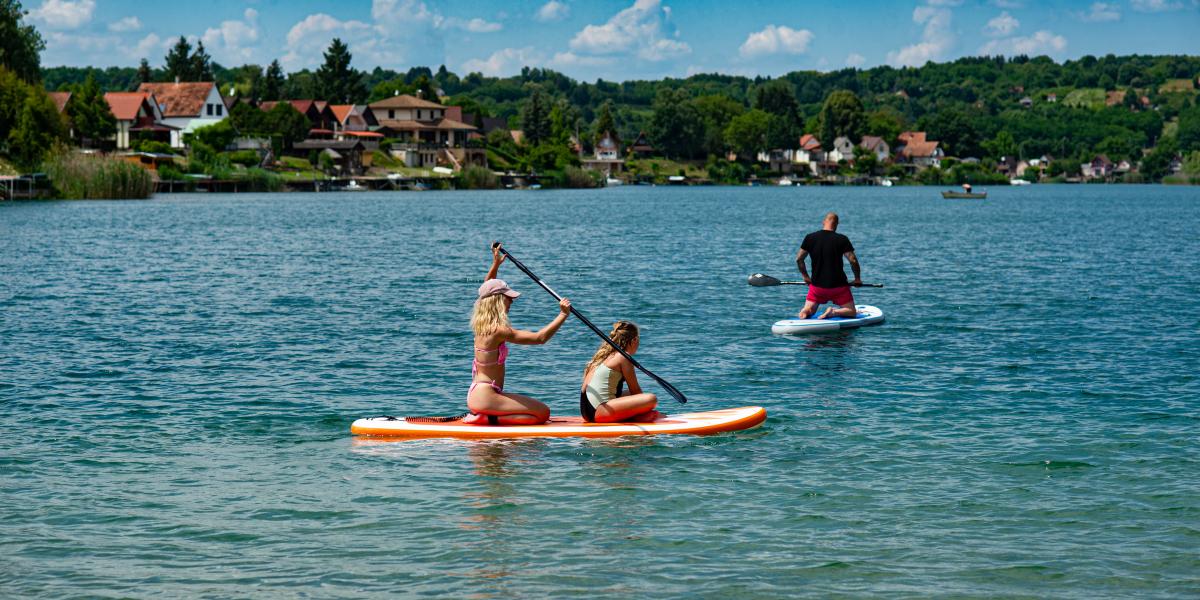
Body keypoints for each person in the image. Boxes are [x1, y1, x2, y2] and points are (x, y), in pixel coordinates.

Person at [463, 243, 571, 425]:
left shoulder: (480, 324)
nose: (511, 301)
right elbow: (540, 338)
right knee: (543, 414)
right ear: (497, 301)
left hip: (480, 393)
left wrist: (495, 265)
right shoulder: (499, 331)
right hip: (485, 396)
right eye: (508, 298)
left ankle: (486, 416)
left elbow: (486, 289)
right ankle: (488, 418)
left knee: (537, 414)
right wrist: (562, 315)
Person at [580, 321, 661, 423]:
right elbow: (636, 391)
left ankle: (630, 416)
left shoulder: (602, 356)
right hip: (601, 411)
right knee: (651, 399)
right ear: (634, 340)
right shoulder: (623, 357)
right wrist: (644, 410)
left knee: (629, 394)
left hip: (586, 412)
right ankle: (635, 418)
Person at [795, 212, 862, 319]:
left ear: (823, 222)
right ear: (837, 224)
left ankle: (804, 312)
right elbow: (853, 260)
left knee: (809, 309)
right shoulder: (842, 239)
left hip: (817, 287)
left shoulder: (810, 238)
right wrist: (857, 279)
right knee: (851, 311)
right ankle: (833, 312)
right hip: (838, 287)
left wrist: (806, 277)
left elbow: (799, 259)